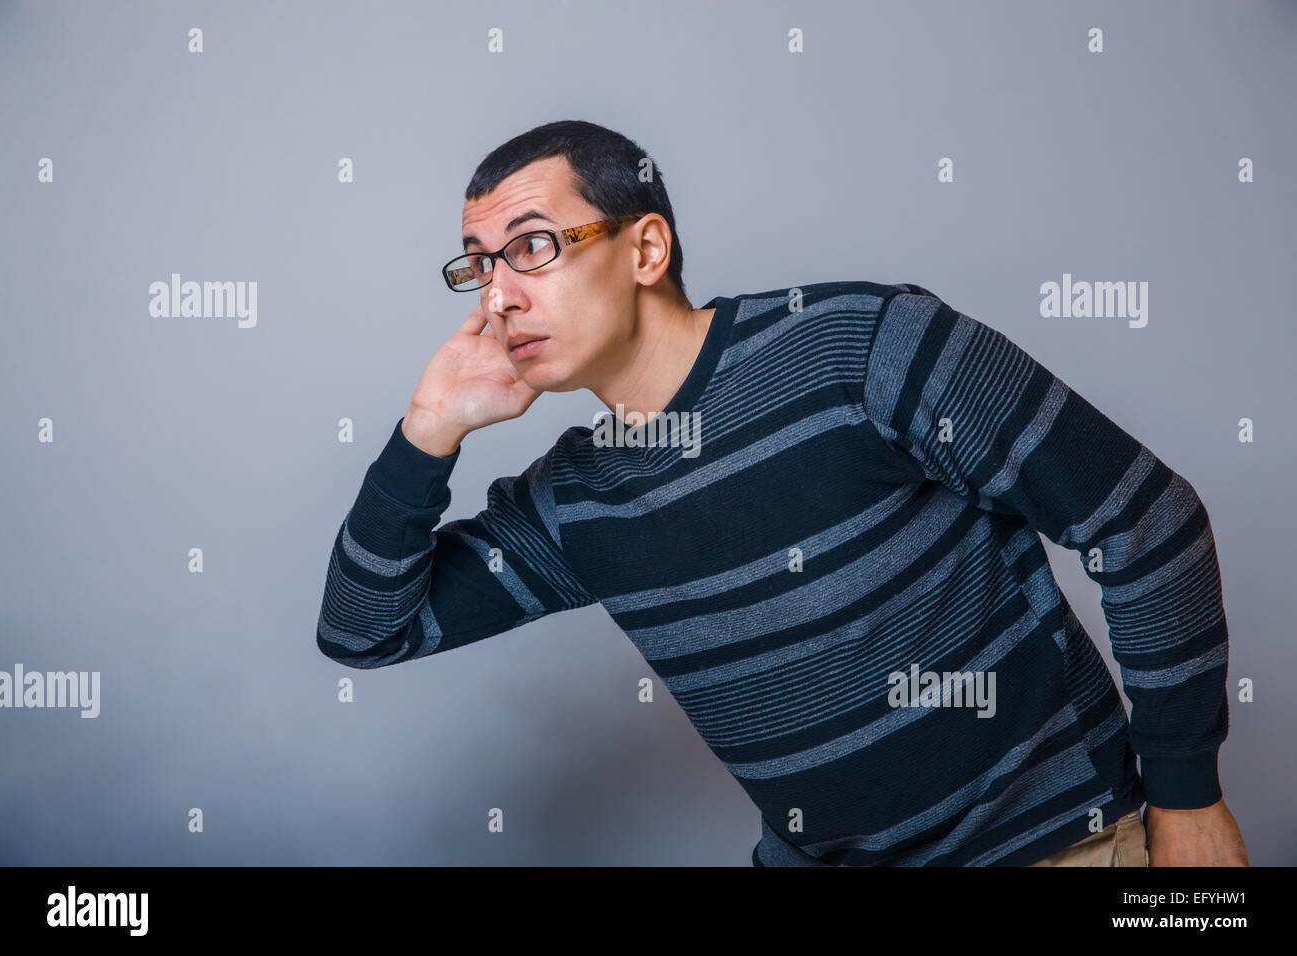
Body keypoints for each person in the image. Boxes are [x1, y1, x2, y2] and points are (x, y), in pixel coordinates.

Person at [315, 119, 1248, 866]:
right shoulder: (574, 501)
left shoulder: (862, 345)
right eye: (480, 264)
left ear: (646, 250)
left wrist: (1186, 797)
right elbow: (365, 630)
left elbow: (1144, 521)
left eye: (532, 247)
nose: (498, 297)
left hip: (1067, 846)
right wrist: (426, 430)